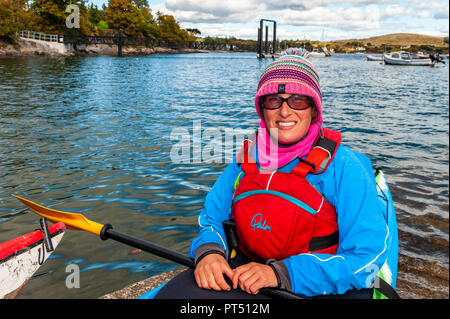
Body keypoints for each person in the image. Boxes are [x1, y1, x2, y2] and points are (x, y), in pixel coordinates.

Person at [153, 50, 398, 299]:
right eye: (273, 100)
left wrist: (282, 274)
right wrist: (210, 252)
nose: (284, 111)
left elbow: (367, 257)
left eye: (298, 100)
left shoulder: (344, 166)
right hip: (248, 275)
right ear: (262, 108)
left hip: (317, 285)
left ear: (314, 110)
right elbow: (212, 218)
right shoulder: (246, 160)